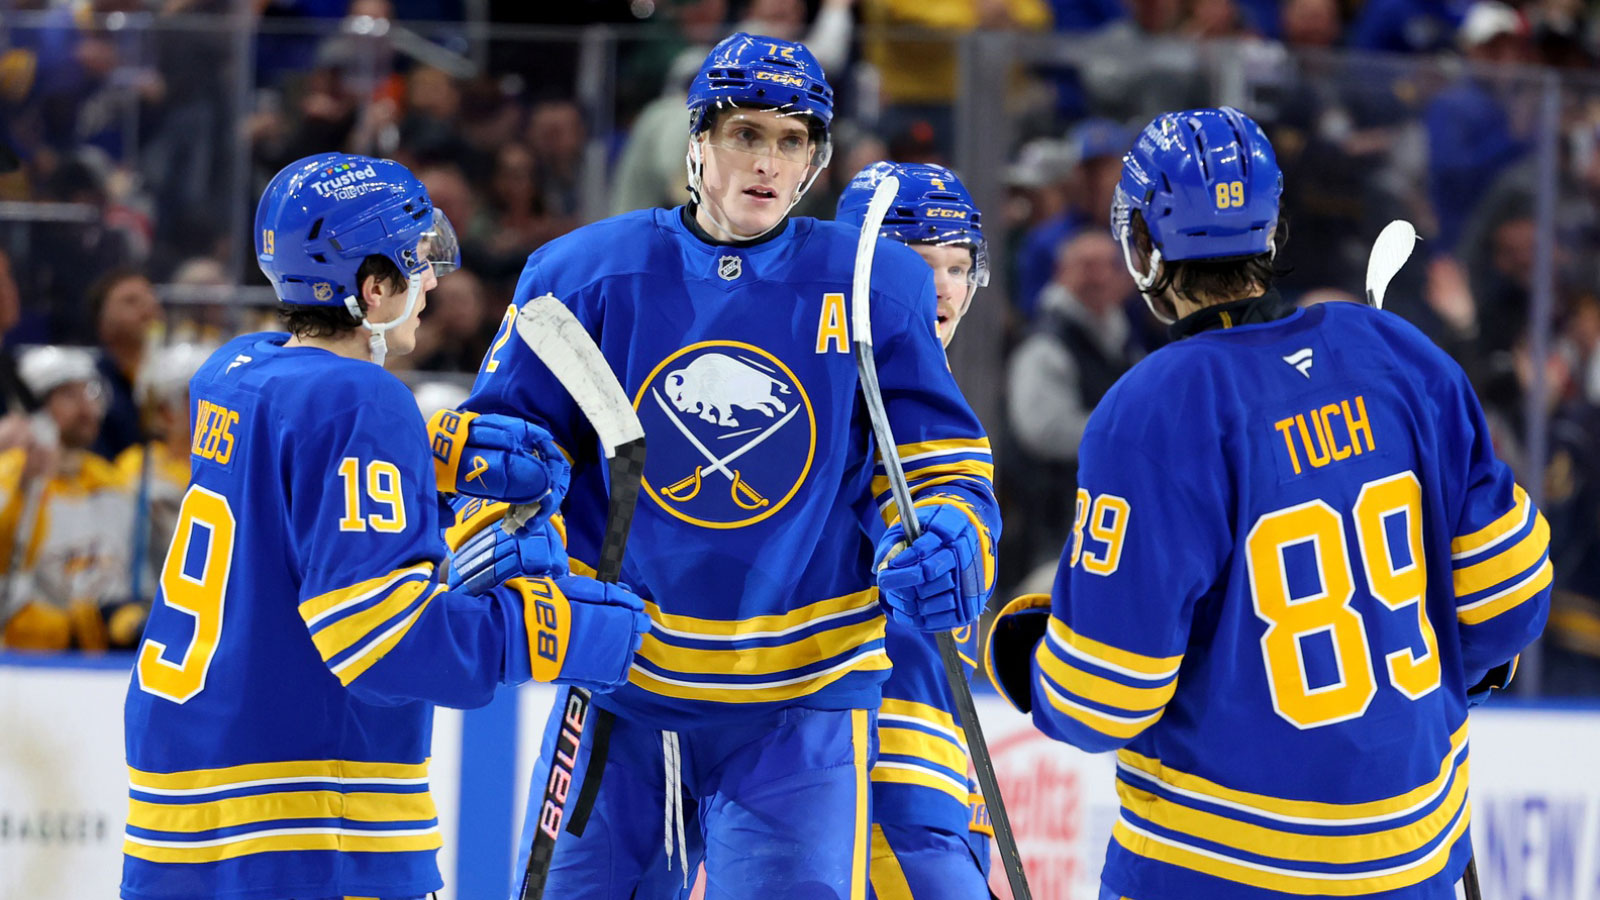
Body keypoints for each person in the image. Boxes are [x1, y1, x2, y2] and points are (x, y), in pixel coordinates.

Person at [451, 34, 1000, 900]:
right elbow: (500, 449)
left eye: (792, 141)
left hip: (804, 701)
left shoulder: (871, 285)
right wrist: (507, 538)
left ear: (816, 160)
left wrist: (948, 535)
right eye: (746, 133)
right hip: (621, 689)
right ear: (697, 141)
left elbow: (940, 466)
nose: (767, 162)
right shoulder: (580, 276)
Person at [985, 107, 1550, 900]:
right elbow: (1510, 602)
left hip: (1218, 868)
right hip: (1414, 856)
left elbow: (1104, 696)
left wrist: (1023, 657)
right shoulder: (1400, 353)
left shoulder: (1152, 408)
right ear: (1273, 231)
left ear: (1142, 246)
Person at [120, 152, 651, 900]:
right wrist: (543, 632)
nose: (431, 280)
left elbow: (291, 500)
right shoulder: (361, 400)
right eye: (416, 262)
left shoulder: (234, 371)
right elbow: (378, 641)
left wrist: (430, 456)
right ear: (373, 288)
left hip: (182, 797)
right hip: (308, 817)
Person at [836, 161, 995, 899]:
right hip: (869, 781)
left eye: (957, 265)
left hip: (936, 783)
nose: (941, 287)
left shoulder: (940, 409)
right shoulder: (832, 412)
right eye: (913, 264)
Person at [0, 344, 138, 652]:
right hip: (31, 662)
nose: (87, 408)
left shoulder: (111, 480)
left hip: (108, 660)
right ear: (35, 407)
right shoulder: (9, 477)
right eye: (68, 395)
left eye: (88, 393)